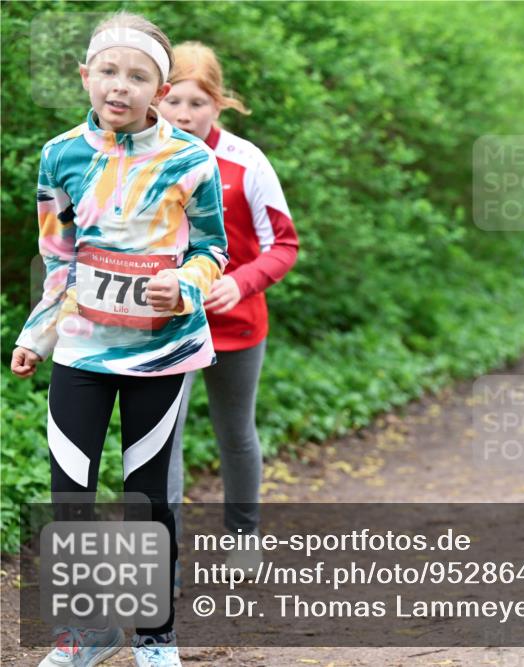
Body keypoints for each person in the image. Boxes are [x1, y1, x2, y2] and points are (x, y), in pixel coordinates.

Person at [9, 11, 227, 667]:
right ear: (86, 76)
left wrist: (184, 285)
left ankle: (157, 637)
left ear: (161, 92)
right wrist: (38, 333)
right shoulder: (59, 155)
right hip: (81, 345)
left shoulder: (193, 159)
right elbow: (58, 257)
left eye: (139, 76)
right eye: (108, 71)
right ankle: (90, 632)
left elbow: (213, 250)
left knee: (148, 494)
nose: (120, 86)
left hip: (161, 352)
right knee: (69, 489)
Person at [159, 42, 298, 585]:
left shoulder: (246, 161)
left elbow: (283, 245)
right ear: (158, 99)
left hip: (237, 324)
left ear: (218, 104)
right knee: (163, 439)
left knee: (235, 432)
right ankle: (163, 550)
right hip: (167, 323)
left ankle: (243, 538)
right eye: (174, 102)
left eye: (197, 103)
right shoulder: (141, 157)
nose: (183, 115)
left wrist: (239, 283)